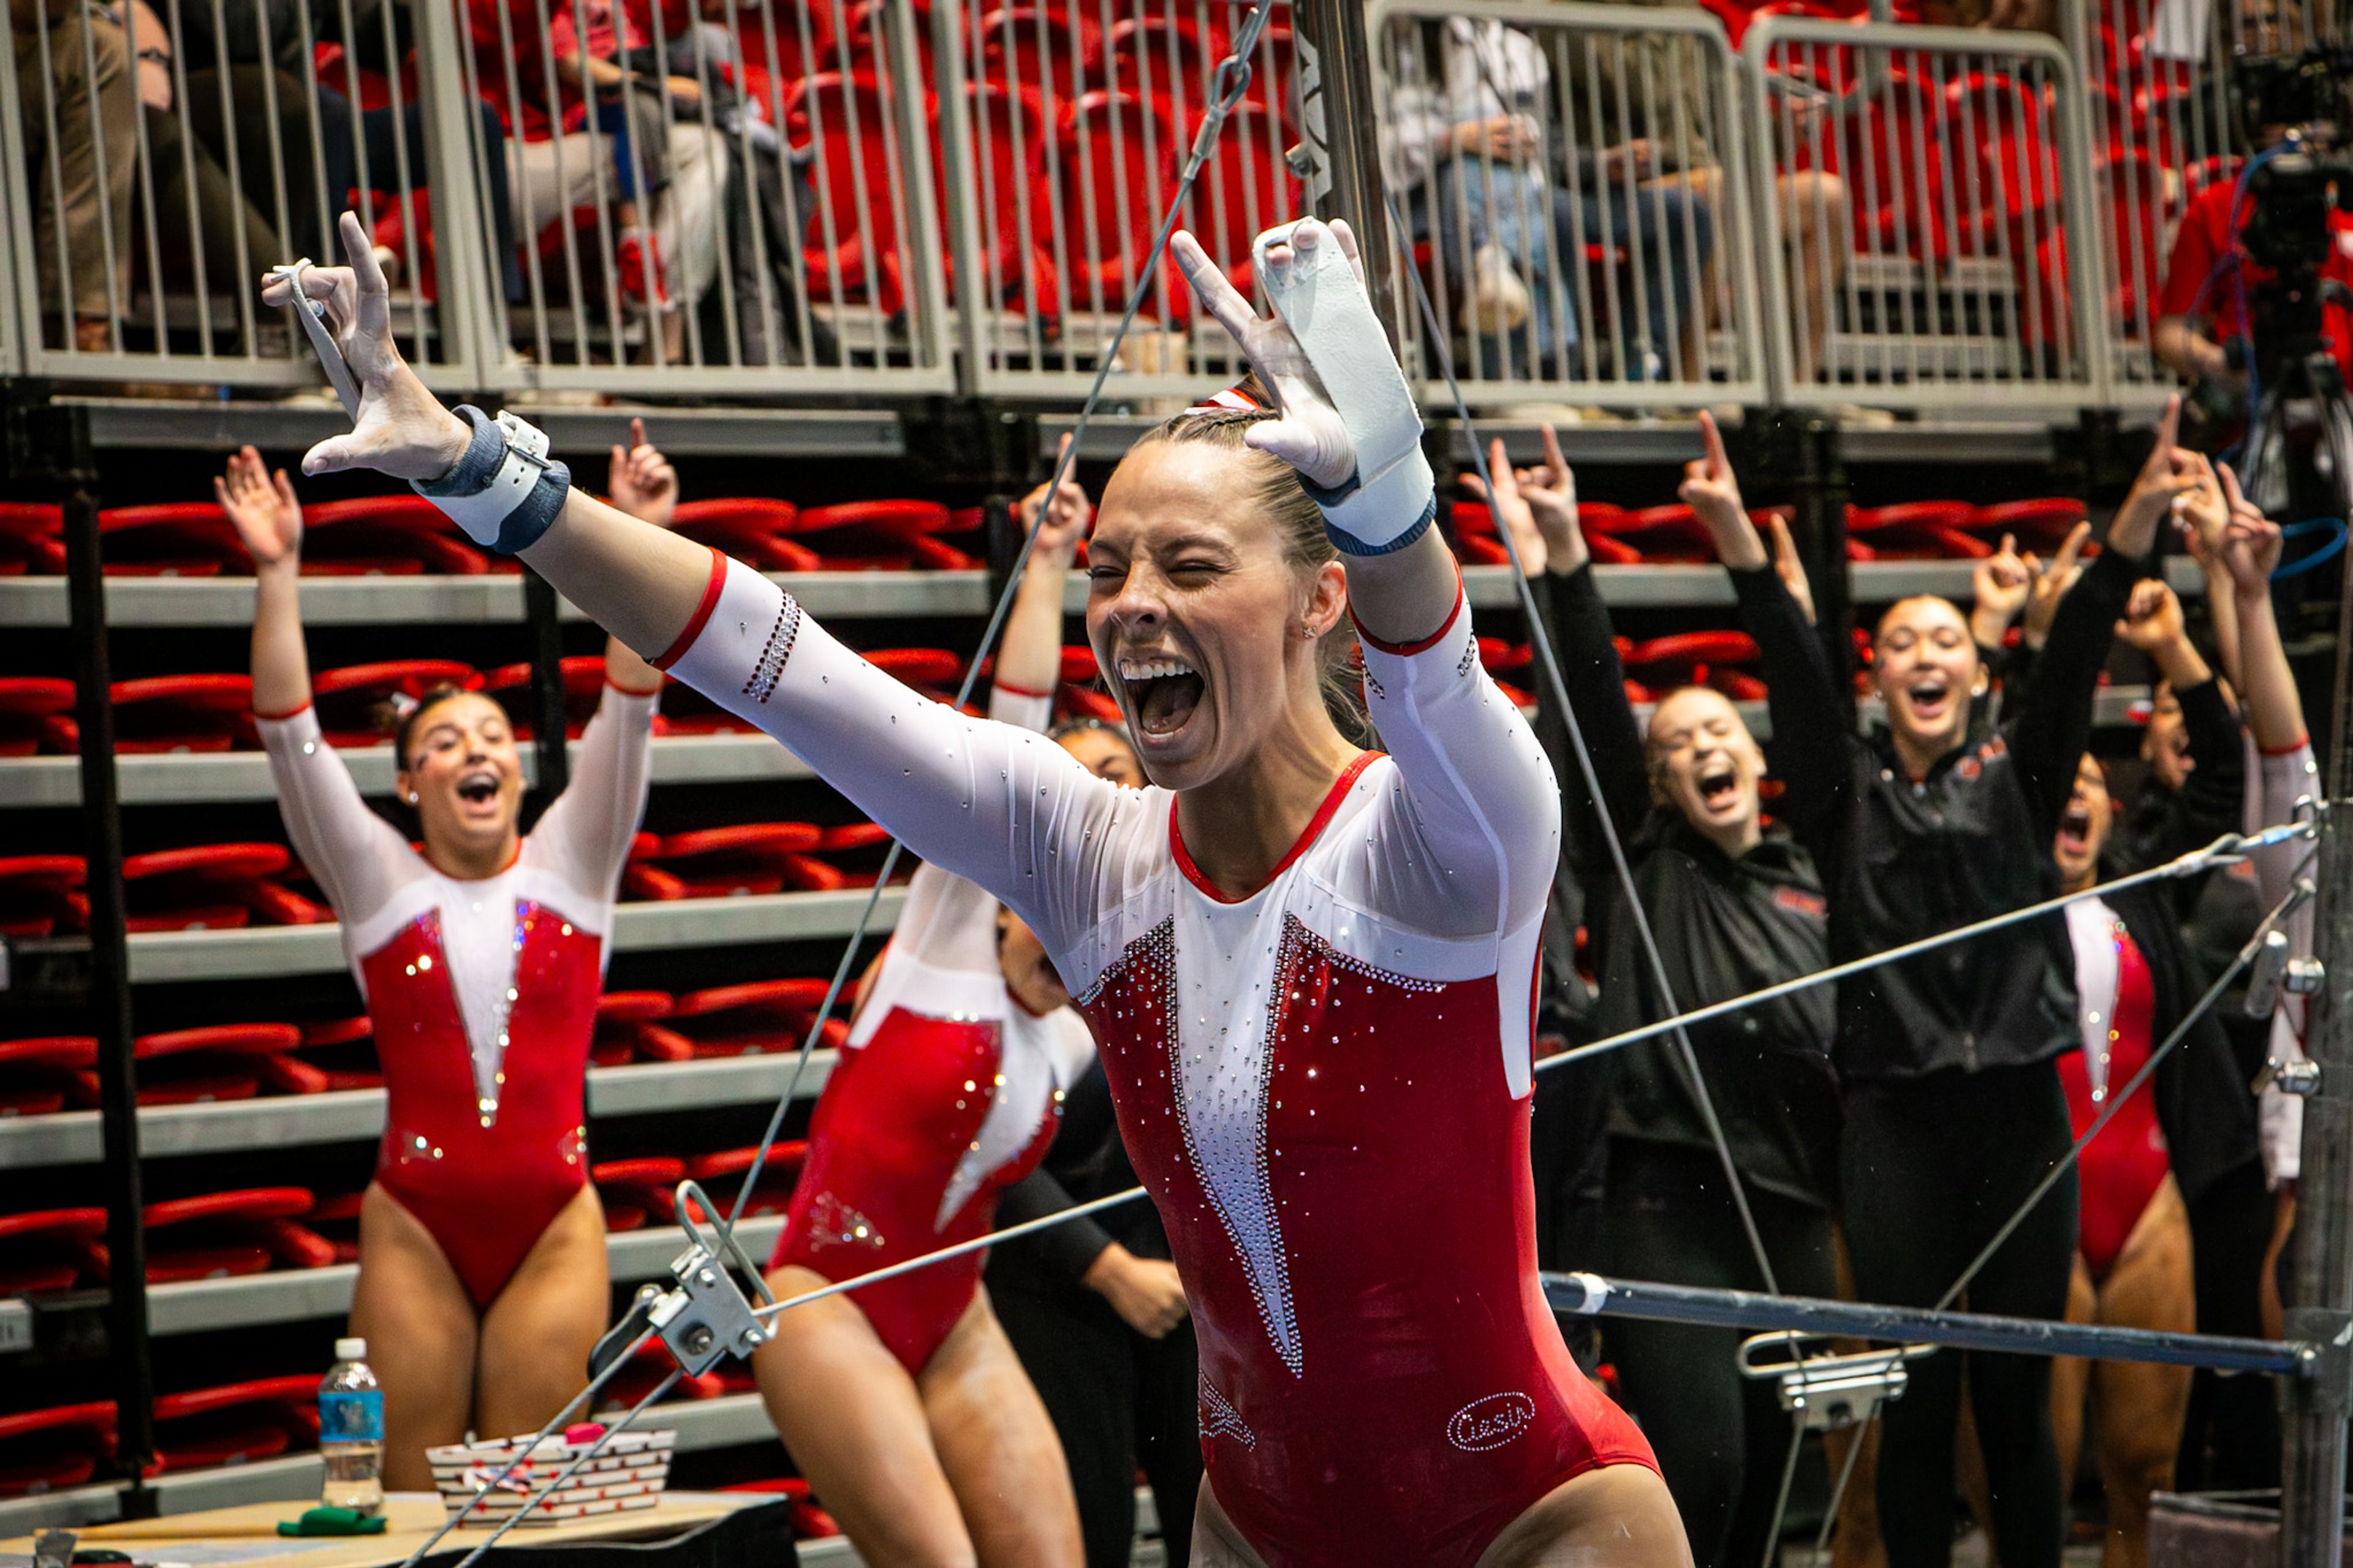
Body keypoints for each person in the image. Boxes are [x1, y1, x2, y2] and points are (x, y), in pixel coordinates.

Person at [268, 209, 1687, 1567]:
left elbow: (1433, 683)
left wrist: (1386, 517)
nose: (1133, 600)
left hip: (1530, 1516)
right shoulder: (1085, 852)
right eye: (1115, 565)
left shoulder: (1444, 846)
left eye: (1191, 564)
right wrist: (480, 471)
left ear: (1317, 602)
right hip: (1257, 1526)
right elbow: (774, 657)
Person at [1717, 394, 2197, 1568]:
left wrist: (2130, 526)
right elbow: (1791, 673)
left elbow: (2079, 647)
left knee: (2018, 1410)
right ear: (1879, 682)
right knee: (1919, 1412)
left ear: (1978, 675)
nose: (1925, 655)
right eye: (1901, 646)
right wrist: (1738, 545)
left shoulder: (2023, 776)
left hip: (2019, 1117)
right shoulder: (1841, 795)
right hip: (1895, 1128)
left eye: (1947, 642)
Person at [221, 426, 670, 1487]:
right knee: (410, 1497)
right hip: (414, 1221)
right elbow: (292, 736)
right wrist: (279, 572)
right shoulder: (377, 879)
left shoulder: (575, 859)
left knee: (524, 1506)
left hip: (556, 1218)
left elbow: (632, 704)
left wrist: (638, 540)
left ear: (519, 772)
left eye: (493, 734)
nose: (477, 750)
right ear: (409, 787)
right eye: (445, 742)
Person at [1469, 417, 1840, 1568]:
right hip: (1666, 1200)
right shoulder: (1648, 861)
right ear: (1668, 783)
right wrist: (1566, 560)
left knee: (1780, 1487)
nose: (1702, 746)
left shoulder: (1810, 872)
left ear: (1756, 757)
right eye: (1680, 742)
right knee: (1710, 1467)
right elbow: (1589, 722)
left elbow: (1826, 723)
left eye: (1720, 727)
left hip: (1794, 1205)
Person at [744, 460, 1102, 1567]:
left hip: (958, 1317)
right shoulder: (951, 924)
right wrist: (1043, 567)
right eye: (1074, 797)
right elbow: (1015, 729)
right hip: (825, 1301)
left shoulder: (1085, 1015)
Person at [1996, 569, 2256, 1568]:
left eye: (2088, 786)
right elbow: (2015, 752)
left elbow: (2225, 781)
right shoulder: (1996, 899)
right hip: (2039, 1203)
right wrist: (2036, 637)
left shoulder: (2147, 889)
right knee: (2040, 1474)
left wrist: (2175, 649)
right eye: (2052, 786)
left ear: (2112, 806)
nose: (2070, 797)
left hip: (2147, 1200)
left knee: (2145, 1472)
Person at [983, 462, 1202, 1568]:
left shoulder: (1204, 901)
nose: (1112, 794)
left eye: (1124, 769)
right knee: (1091, 1538)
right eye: (1084, 781)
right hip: (1058, 1282)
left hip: (1193, 1279)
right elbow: (982, 1136)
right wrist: (1104, 1266)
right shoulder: (995, 940)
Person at [1383, 15, 1715, 384]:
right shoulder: (1398, 37)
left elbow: (1550, 154)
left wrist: (1604, 164)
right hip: (1436, 199)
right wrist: (1455, 139)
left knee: (1684, 212)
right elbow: (1382, 148)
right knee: (1550, 210)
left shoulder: (1522, 50)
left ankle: (1640, 365)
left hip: (1535, 188)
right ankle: (1539, 372)